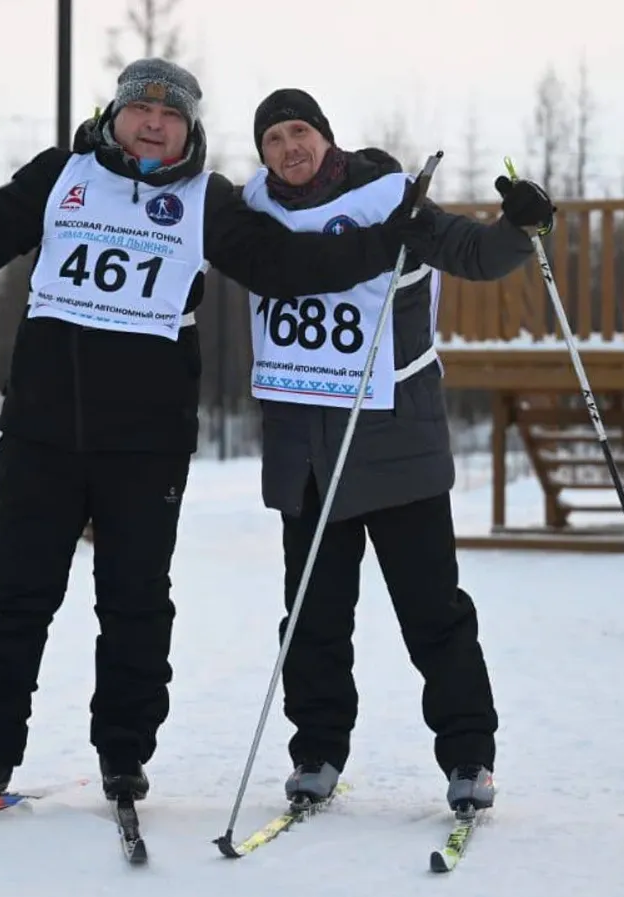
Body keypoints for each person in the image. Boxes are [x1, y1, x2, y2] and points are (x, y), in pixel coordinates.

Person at [0, 61, 435, 811]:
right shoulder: (61, 174)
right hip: (43, 429)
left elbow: (285, 266)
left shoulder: (207, 199)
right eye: (139, 108)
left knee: (135, 601)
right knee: (15, 596)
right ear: (114, 115)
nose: (153, 122)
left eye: (168, 114)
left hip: (145, 442)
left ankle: (122, 754)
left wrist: (384, 243)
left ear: (188, 128)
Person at [240, 88, 556, 814]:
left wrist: (521, 224)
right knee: (312, 615)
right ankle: (315, 751)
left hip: (397, 448)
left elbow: (474, 253)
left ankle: (468, 755)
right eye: (273, 139)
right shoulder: (255, 215)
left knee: (432, 612)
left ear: (324, 136)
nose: (290, 148)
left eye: (300, 132)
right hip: (306, 455)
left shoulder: (390, 200)